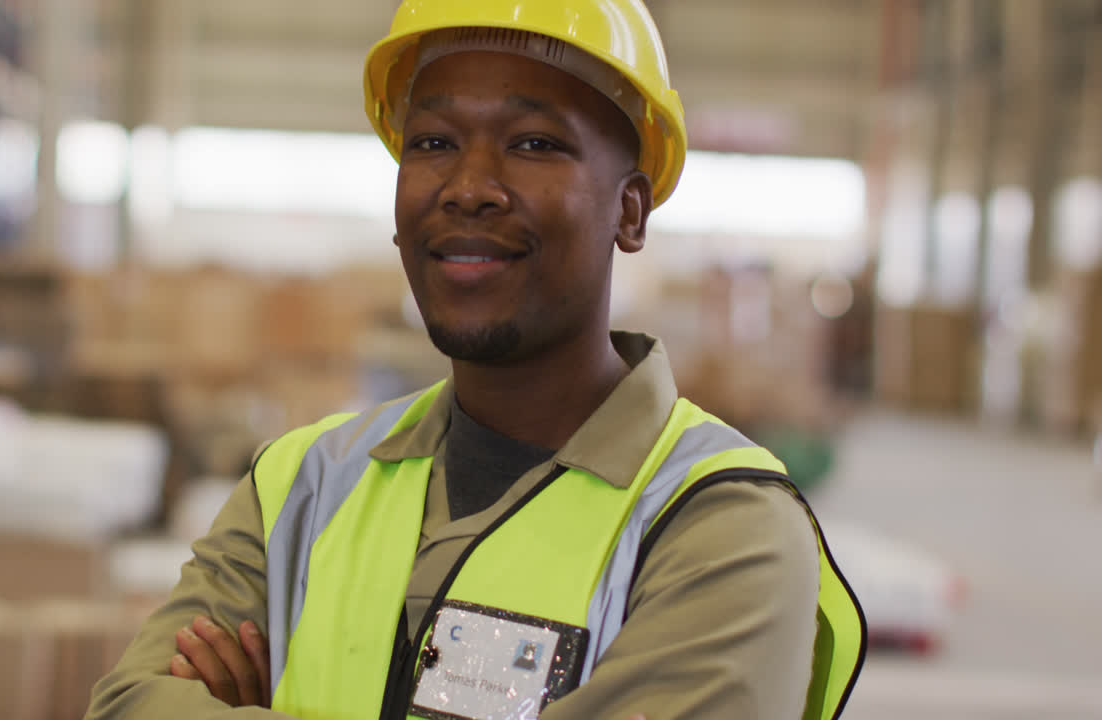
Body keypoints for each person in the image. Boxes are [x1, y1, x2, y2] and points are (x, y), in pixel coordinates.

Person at [85, 1, 866, 718]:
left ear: (629, 211)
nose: (468, 187)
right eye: (433, 143)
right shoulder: (302, 485)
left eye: (533, 143)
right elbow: (125, 706)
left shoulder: (722, 530)